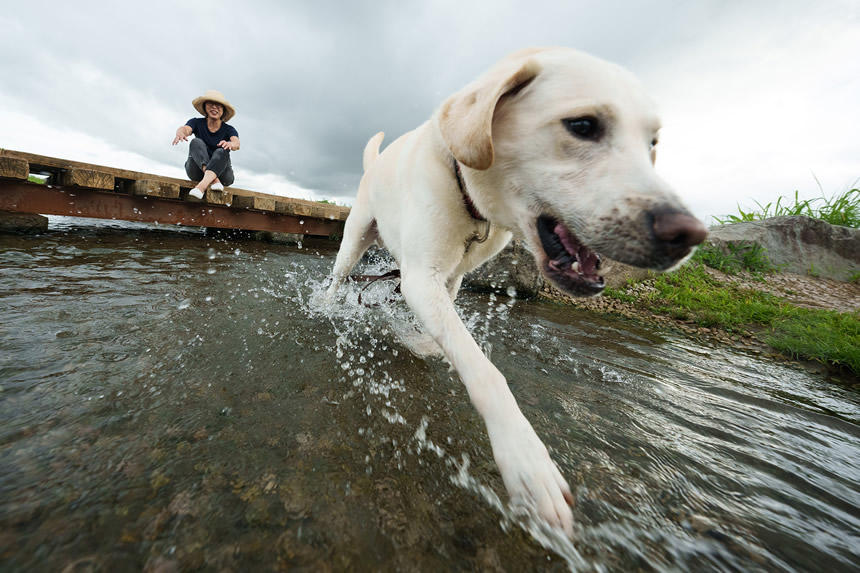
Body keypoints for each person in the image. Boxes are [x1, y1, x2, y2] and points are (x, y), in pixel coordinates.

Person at [172, 90, 240, 199]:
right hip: (197, 172)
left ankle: (203, 185)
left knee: (223, 149)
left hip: (223, 176)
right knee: (195, 142)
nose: (214, 107)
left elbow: (236, 143)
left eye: (218, 105)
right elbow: (185, 129)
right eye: (210, 104)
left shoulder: (229, 129)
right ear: (205, 107)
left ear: (223, 110)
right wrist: (180, 132)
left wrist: (230, 144)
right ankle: (211, 181)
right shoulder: (196, 122)